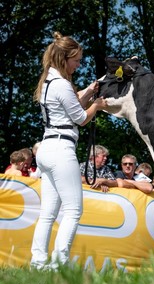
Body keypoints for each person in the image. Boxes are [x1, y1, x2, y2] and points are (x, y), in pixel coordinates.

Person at [30, 31, 107, 270]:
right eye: (77, 60)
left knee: (48, 213)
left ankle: (39, 262)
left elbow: (71, 108)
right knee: (73, 210)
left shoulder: (48, 83)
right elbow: (81, 118)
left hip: (47, 147)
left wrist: (89, 91)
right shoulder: (62, 84)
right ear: (65, 58)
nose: (79, 64)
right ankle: (59, 263)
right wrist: (97, 104)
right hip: (62, 148)